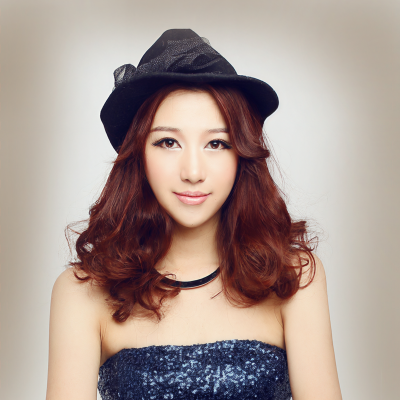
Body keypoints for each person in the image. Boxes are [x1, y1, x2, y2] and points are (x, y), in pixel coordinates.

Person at [46, 29, 342, 400]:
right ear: (138, 154)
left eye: (216, 143)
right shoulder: (81, 293)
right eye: (168, 142)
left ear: (241, 155)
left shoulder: (292, 276)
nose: (193, 171)